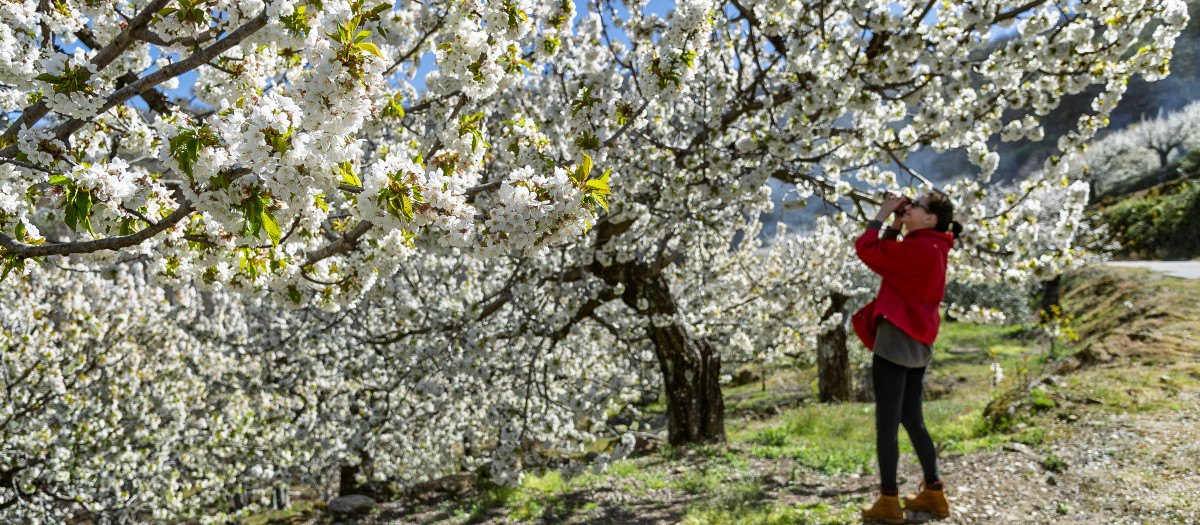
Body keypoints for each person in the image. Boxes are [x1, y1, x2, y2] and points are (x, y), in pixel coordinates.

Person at [853, 191, 962, 523]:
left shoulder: (919, 249)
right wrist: (897, 225)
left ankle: (888, 502)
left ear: (930, 219)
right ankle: (934, 492)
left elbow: (869, 251)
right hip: (918, 343)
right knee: (912, 419)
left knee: (887, 424)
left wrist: (882, 215)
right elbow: (888, 258)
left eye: (916, 206)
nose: (909, 207)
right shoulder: (933, 247)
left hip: (896, 342)